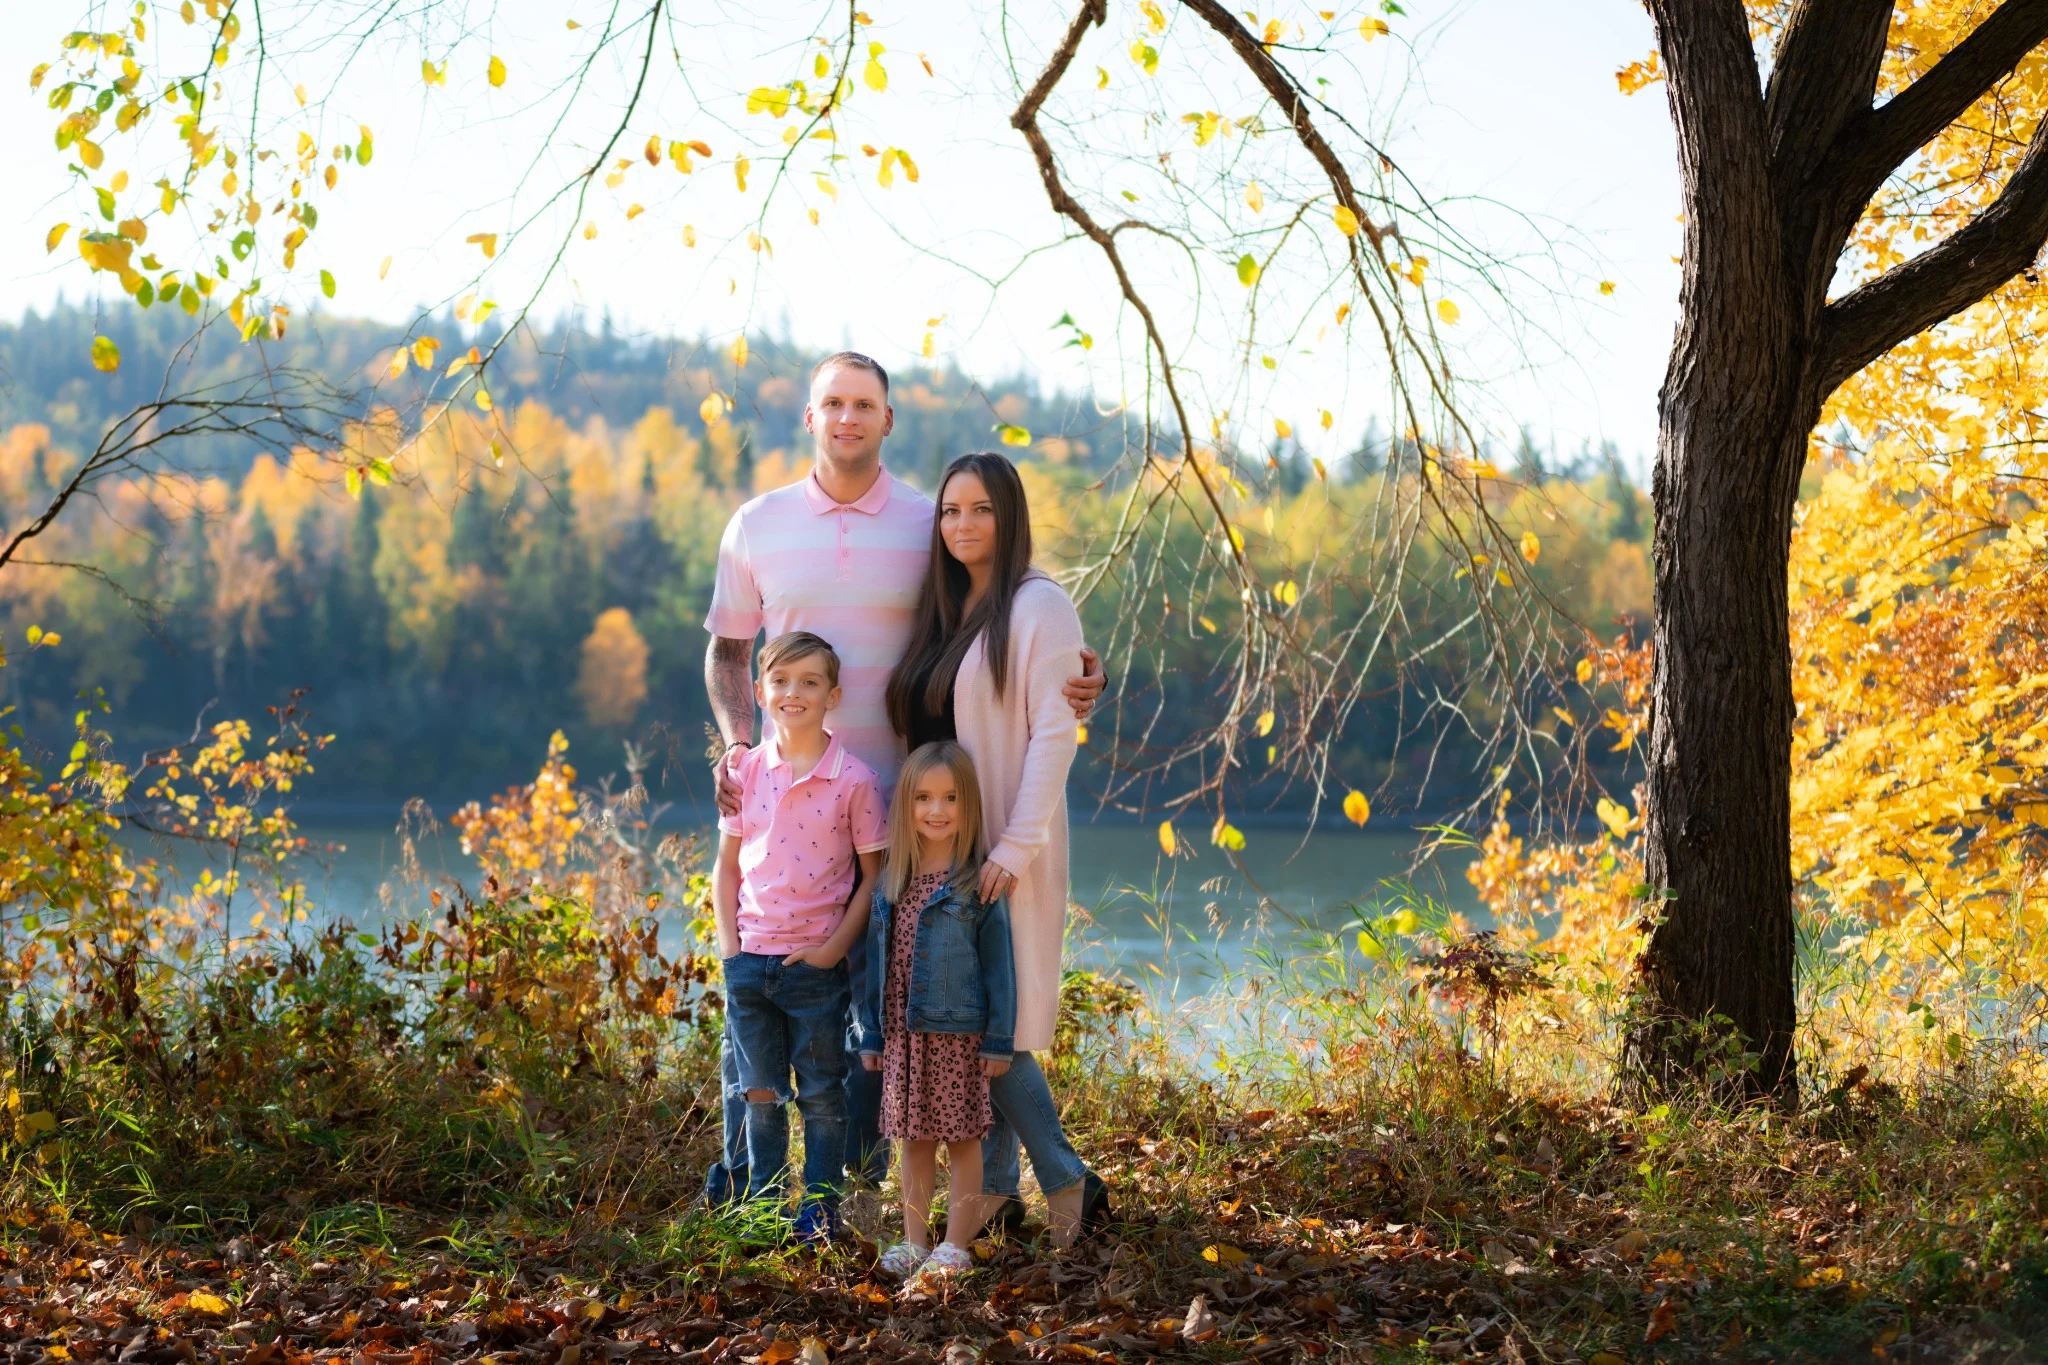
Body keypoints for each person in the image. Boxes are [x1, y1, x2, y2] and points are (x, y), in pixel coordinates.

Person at [702, 352, 1105, 1202]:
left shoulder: (928, 523)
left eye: (865, 405)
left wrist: (1079, 674)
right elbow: (729, 651)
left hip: (911, 815)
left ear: (889, 420)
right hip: (784, 810)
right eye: (833, 403)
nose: (848, 418)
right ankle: (753, 1191)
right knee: (762, 1002)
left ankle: (867, 1189)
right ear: (808, 417)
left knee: (914, 1012)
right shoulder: (757, 522)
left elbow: (1003, 612)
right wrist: (739, 746)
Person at [884, 451, 1110, 1251]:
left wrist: (1015, 843)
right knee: (974, 1022)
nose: (963, 525)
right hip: (943, 850)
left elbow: (1056, 729)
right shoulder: (948, 607)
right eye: (950, 511)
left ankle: (1066, 1179)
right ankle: (996, 1198)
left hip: (1008, 843)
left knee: (998, 1031)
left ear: (1009, 516)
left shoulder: (1039, 603)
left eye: (980, 509)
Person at [710, 630, 887, 1243]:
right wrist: (730, 947)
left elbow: (874, 877)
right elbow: (726, 866)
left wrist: (834, 950)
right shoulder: (746, 772)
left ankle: (818, 1212)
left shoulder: (854, 780)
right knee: (758, 1092)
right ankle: (760, 1210)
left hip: (815, 966)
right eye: (781, 681)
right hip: (749, 963)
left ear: (833, 695)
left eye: (810, 682)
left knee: (820, 1095)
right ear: (759, 692)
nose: (794, 693)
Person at [854, 741, 1015, 1291]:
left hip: (958, 1036)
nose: (937, 810)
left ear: (968, 805)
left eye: (950, 798)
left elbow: (1000, 971)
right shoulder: (890, 886)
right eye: (923, 797)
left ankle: (956, 1244)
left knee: (963, 1138)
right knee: (913, 1140)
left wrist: (998, 1041)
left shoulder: (978, 889)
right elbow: (875, 971)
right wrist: (870, 1034)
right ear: (906, 805)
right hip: (902, 1037)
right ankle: (915, 1239)